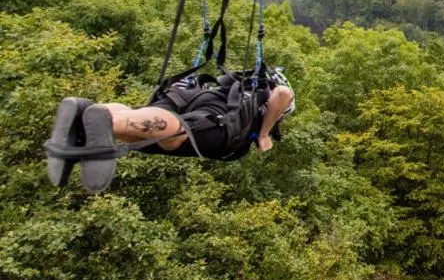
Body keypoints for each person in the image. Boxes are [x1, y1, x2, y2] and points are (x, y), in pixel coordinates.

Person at [46, 68, 295, 193]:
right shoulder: (266, 100)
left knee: (141, 125)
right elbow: (284, 95)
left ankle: (87, 120)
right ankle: (108, 123)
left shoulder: (238, 86)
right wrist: (263, 134)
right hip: (221, 120)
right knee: (174, 136)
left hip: (190, 93)